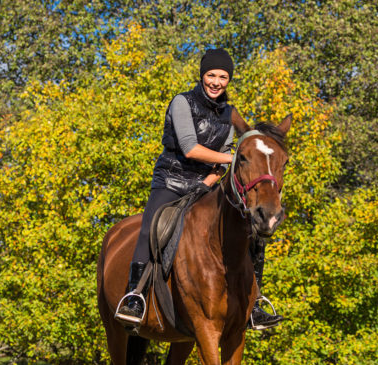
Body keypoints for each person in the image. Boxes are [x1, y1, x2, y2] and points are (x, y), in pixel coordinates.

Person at [117, 48, 283, 329]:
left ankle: (254, 304)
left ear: (228, 79)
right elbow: (190, 149)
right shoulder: (182, 102)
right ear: (202, 75)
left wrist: (213, 178)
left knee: (250, 229)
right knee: (150, 226)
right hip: (171, 181)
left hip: (206, 185)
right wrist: (233, 159)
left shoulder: (230, 113)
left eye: (222, 76)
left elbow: (235, 146)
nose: (216, 81)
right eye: (211, 75)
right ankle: (135, 296)